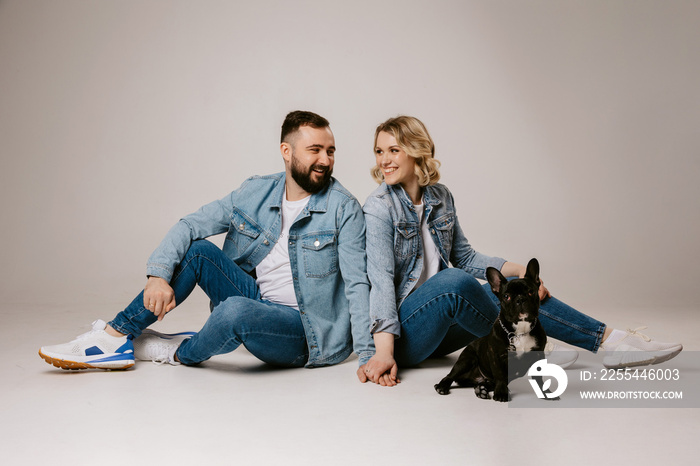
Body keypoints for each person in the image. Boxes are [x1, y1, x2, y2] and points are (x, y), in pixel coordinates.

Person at [357, 115, 682, 387]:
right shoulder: (379, 208)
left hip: (442, 331)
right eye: (379, 151)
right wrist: (383, 352)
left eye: (393, 150)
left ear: (416, 151)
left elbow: (466, 258)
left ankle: (611, 341)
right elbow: (382, 282)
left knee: (515, 290)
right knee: (454, 283)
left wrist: (521, 273)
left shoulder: (439, 196)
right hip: (403, 338)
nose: (383, 160)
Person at [40, 110, 374, 371]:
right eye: (315, 150)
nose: (326, 160)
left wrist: (367, 354)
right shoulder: (255, 191)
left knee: (235, 311)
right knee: (198, 252)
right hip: (255, 299)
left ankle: (177, 352)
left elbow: (358, 284)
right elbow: (190, 225)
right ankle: (115, 336)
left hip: (305, 330)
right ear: (287, 152)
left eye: (330, 151)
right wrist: (157, 276)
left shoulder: (343, 207)